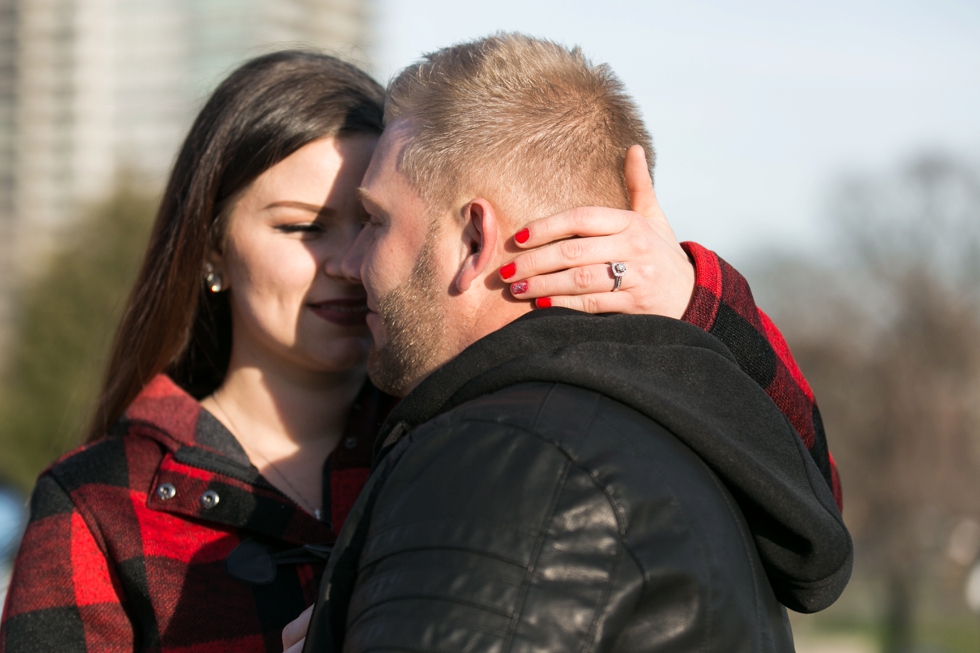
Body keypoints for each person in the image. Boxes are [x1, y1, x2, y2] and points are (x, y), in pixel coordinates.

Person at [0, 49, 835, 653]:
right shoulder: (101, 502)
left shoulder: (479, 434)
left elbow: (802, 504)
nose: (347, 261)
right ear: (213, 248)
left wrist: (687, 291)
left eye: (369, 221)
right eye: (302, 228)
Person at [290, 34, 851, 652]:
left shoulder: (498, 457)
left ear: (476, 239)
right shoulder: (673, 427)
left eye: (374, 220)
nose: (347, 260)